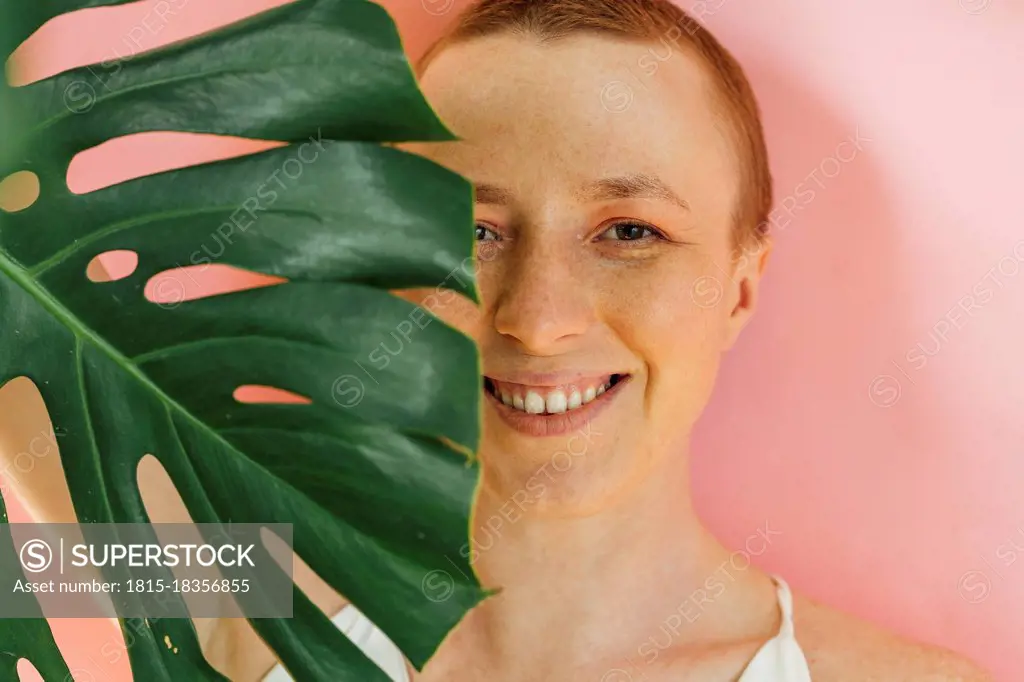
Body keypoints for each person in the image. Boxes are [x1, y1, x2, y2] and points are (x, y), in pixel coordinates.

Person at [259, 0, 995, 680]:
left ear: (739, 290)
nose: (539, 323)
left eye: (630, 232)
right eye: (472, 232)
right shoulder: (221, 597)